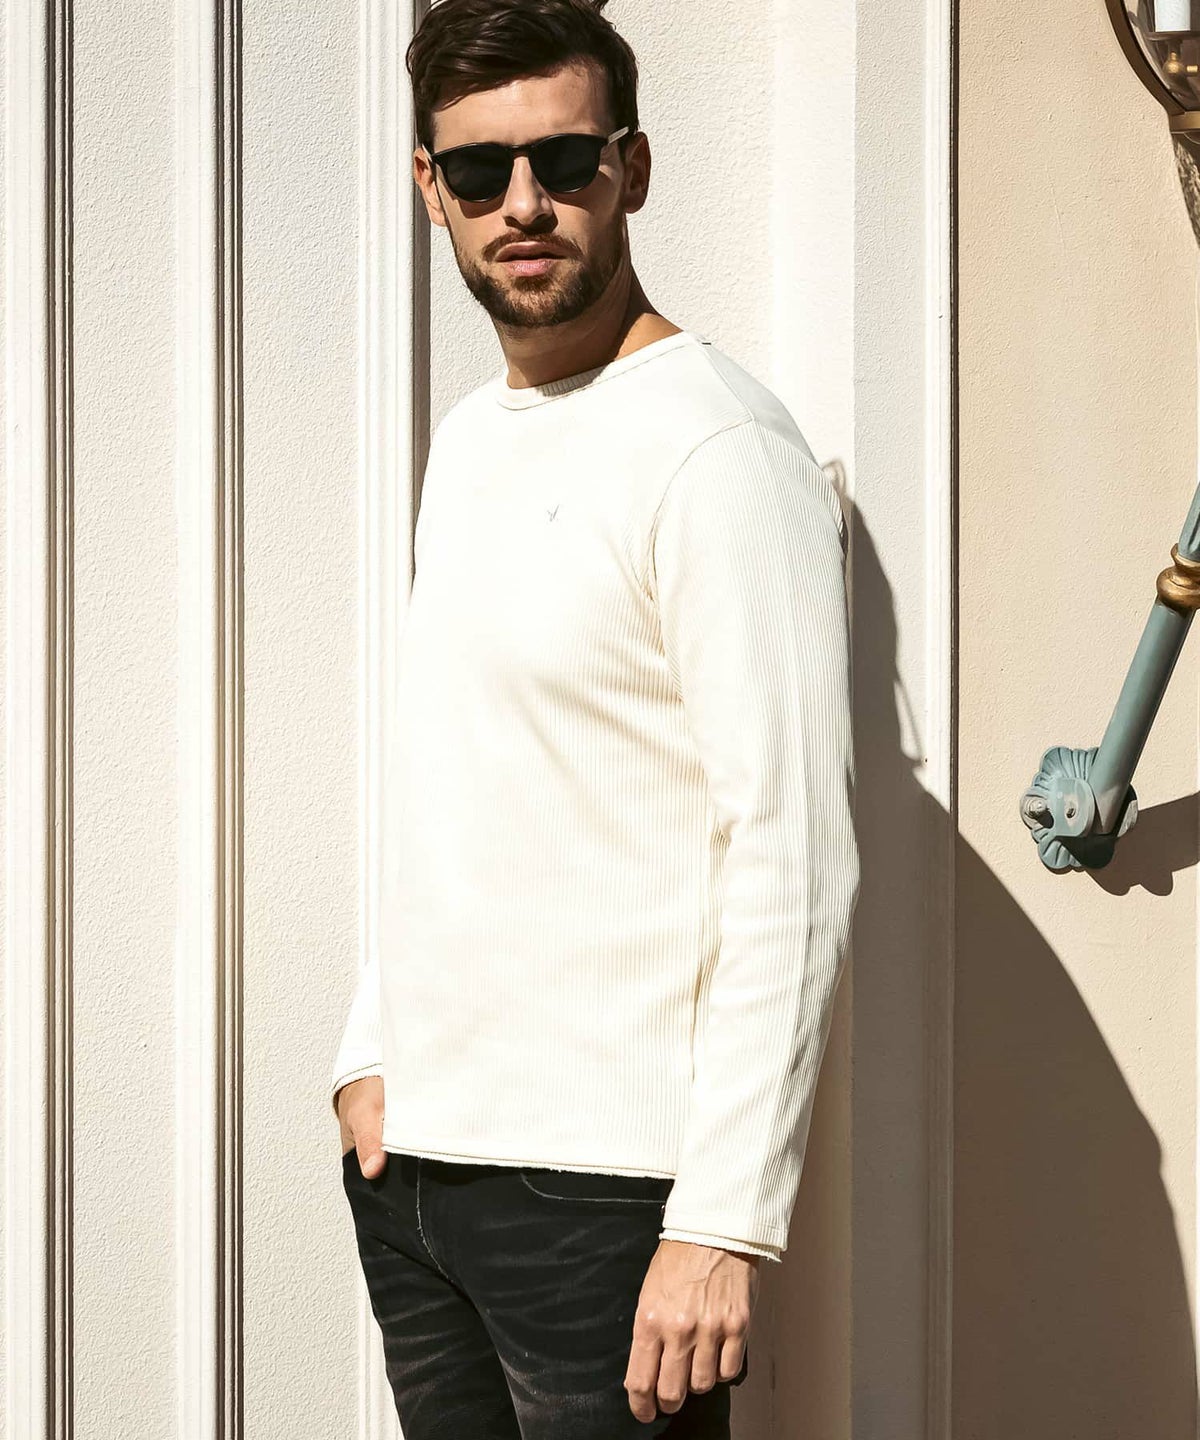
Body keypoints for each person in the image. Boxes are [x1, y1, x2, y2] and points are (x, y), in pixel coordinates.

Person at [330, 1, 861, 1435]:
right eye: (479, 169)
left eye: (563, 161)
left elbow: (795, 852)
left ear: (631, 167)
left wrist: (726, 1222)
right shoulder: (470, 441)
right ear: (429, 187)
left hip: (602, 1203)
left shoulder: (717, 449)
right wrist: (371, 1053)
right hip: (420, 1176)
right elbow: (465, 783)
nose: (523, 204)